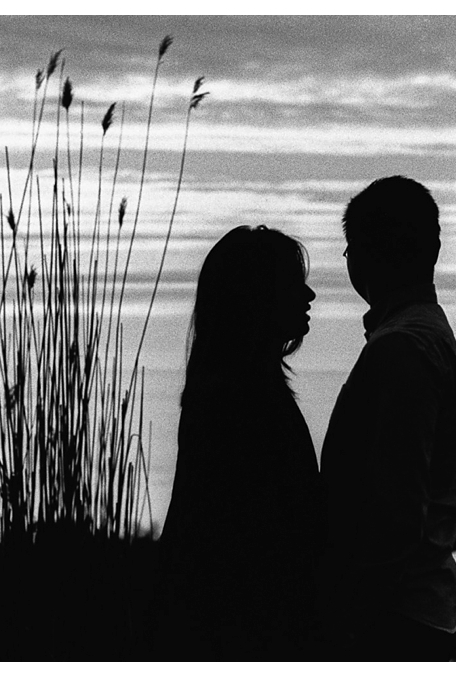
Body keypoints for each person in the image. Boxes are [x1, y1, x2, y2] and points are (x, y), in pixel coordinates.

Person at [318, 176, 456, 661]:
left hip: (392, 623)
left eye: (350, 249)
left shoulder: (401, 349)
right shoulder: (426, 336)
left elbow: (393, 512)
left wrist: (347, 618)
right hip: (416, 613)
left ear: (364, 254)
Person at [155, 225, 322, 659]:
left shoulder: (231, 389)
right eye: (293, 284)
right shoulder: (240, 400)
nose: (309, 296)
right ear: (257, 296)